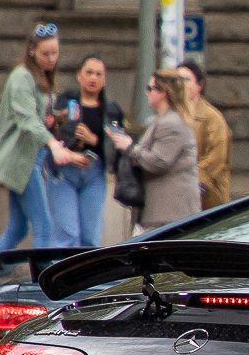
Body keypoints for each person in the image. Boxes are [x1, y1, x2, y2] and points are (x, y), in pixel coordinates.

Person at [0, 23, 82, 296]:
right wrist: (52, 143)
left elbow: (35, 118)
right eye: (46, 53)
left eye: (55, 53)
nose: (51, 59)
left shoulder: (41, 78)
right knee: (44, 228)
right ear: (31, 50)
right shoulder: (22, 77)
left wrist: (54, 121)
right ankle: (44, 294)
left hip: (31, 159)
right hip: (21, 163)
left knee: (17, 228)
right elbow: (25, 119)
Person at [42, 54, 124, 248]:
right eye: (89, 73)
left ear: (104, 80)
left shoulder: (111, 110)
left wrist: (94, 140)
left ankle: (87, 276)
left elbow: (118, 146)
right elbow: (46, 131)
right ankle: (62, 275)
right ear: (79, 76)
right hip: (64, 172)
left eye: (98, 74)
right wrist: (58, 121)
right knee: (67, 233)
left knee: (90, 236)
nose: (93, 78)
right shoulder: (64, 102)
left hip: (94, 173)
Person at [128, 68, 201, 235]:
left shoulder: (171, 123)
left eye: (150, 88)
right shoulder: (162, 120)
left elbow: (159, 161)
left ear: (163, 93)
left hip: (172, 214)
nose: (146, 93)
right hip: (163, 212)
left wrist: (130, 148)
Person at [178, 59, 230, 208]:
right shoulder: (173, 115)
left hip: (207, 199)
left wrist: (192, 181)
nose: (182, 84)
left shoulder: (211, 117)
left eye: (187, 79)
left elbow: (217, 157)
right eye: (178, 80)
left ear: (200, 84)